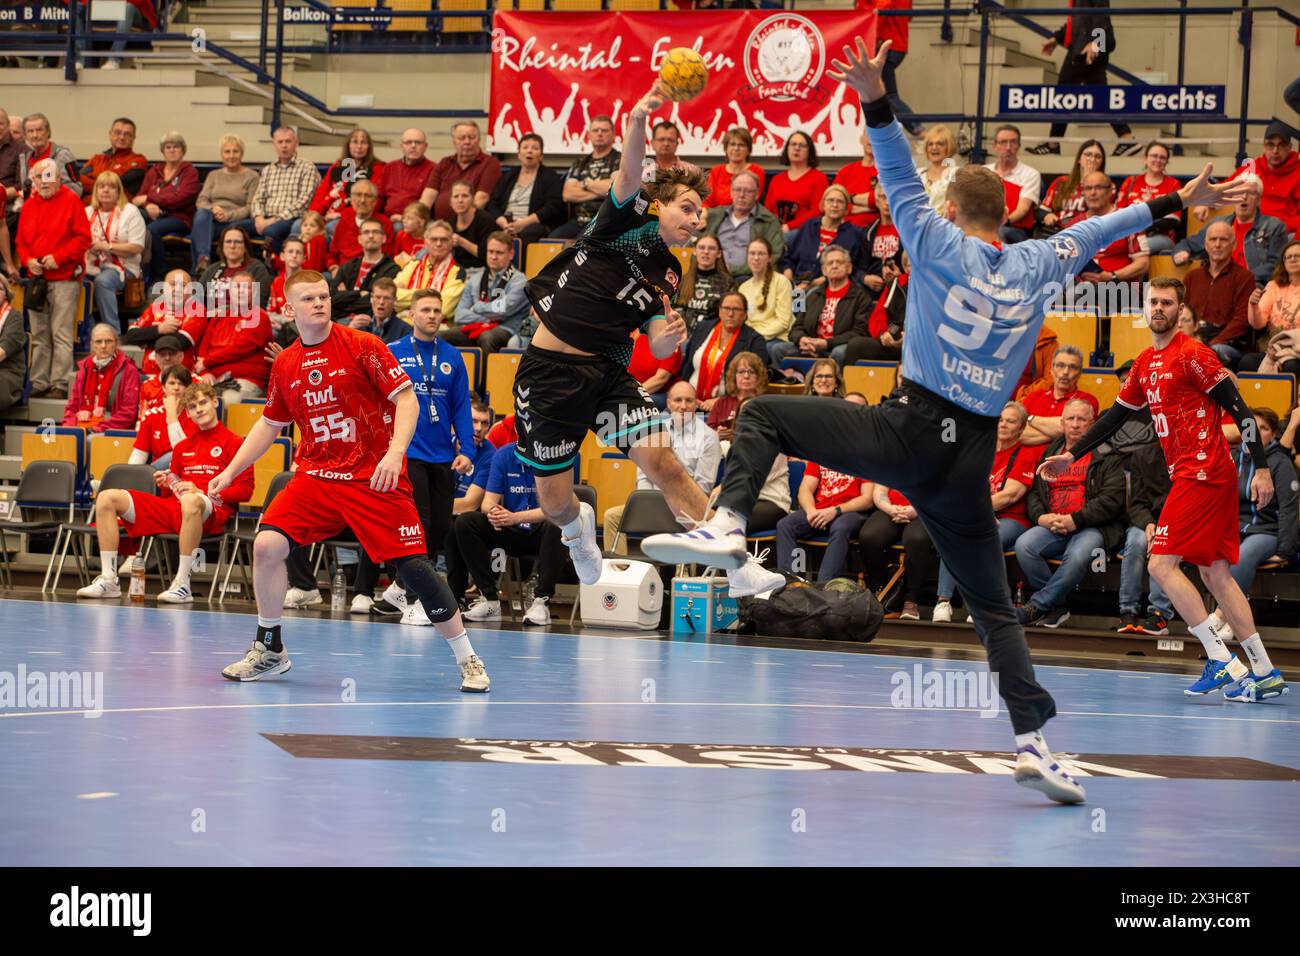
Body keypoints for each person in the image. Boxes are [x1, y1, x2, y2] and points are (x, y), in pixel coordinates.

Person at [643, 36, 1252, 804]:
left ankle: (729, 522)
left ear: (955, 211)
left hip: (909, 430)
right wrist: (1174, 202)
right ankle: (1034, 742)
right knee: (994, 609)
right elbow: (1103, 230)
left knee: (764, 409)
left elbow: (893, 164)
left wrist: (873, 95)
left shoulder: (930, 239)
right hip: (968, 458)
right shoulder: (1040, 261)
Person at [206, 270, 491, 691]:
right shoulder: (285, 363)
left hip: (372, 476)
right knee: (267, 544)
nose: (320, 303)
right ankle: (269, 648)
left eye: (324, 296)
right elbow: (269, 424)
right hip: (316, 477)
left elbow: (407, 400)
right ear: (290, 309)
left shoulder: (363, 346)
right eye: (309, 299)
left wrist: (395, 452)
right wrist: (229, 471)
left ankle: (468, 658)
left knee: (414, 569)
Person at [1040, 276, 1286, 702]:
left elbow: (1240, 410)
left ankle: (1221, 660)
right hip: (1197, 474)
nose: (1158, 308)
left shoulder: (1193, 354)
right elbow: (1115, 418)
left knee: (1160, 565)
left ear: (1180, 309)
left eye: (1166, 302)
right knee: (1216, 574)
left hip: (1203, 471)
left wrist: (1261, 469)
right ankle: (1263, 669)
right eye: (1152, 301)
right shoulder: (1143, 364)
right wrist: (1073, 455)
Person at [517, 79, 719, 589]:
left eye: (701, 214)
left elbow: (656, 342)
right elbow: (630, 171)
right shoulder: (624, 222)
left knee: (666, 463)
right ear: (659, 205)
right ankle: (575, 530)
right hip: (547, 378)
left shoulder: (671, 270)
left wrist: (670, 337)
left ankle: (728, 555)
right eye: (688, 208)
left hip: (606, 375)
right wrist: (637, 118)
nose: (696, 221)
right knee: (556, 503)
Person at [78, 382, 255, 604]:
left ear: (215, 402)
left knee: (191, 500)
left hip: (210, 511)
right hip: (177, 508)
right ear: (188, 413)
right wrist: (167, 482)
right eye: (192, 406)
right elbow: (173, 491)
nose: (199, 409)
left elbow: (246, 490)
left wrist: (204, 491)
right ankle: (109, 579)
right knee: (106, 497)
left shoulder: (236, 443)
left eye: (203, 402)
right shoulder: (182, 447)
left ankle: (182, 584)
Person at [385, 289, 476, 626]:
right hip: (407, 451)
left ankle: (399, 583)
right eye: (425, 310)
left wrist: (466, 449)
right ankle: (417, 599)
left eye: (437, 310)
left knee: (440, 524)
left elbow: (462, 409)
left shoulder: (452, 355)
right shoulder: (394, 352)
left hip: (441, 454)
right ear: (412, 315)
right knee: (419, 523)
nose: (433, 315)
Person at [1014, 398, 1126, 627]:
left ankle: (1038, 605)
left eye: (1082, 419)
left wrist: (1076, 519)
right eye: (1070, 419)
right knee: (1024, 545)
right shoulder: (1051, 452)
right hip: (1053, 524)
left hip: (1090, 527)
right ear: (1062, 423)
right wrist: (1041, 517)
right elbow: (1035, 492)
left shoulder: (1107, 454)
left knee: (1076, 556)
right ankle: (1057, 605)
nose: (1075, 424)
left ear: (1092, 423)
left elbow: (1111, 500)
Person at [932, 402, 1040, 622]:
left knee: (981, 540)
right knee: (952, 537)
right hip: (979, 514)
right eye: (1000, 419)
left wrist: (978, 512)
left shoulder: (1026, 453)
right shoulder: (980, 450)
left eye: (1011, 421)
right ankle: (943, 601)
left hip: (1012, 519)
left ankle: (982, 606)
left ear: (1021, 429)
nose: (1004, 424)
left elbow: (1010, 495)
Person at [455, 438, 567, 626]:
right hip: (510, 528)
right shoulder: (503, 455)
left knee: (558, 524)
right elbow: (487, 503)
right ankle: (490, 599)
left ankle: (541, 602)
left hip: (541, 532)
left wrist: (517, 517)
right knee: (466, 522)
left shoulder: (555, 456)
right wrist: (494, 513)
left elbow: (557, 509)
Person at [603, 381, 721, 554]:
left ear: (696, 404)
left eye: (689, 401)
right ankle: (619, 573)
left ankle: (685, 577)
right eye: (677, 400)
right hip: (654, 501)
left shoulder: (709, 438)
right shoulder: (655, 430)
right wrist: (649, 502)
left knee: (699, 523)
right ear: (668, 403)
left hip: (686, 505)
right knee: (611, 517)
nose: (683, 406)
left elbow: (704, 488)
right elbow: (643, 474)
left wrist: (673, 466)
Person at [17, 158, 92, 400]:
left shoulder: (71, 201)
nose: (44, 182)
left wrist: (58, 258)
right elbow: (20, 241)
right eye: (40, 177)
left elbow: (83, 239)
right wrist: (28, 260)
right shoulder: (28, 206)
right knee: (39, 334)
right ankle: (38, 382)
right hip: (36, 280)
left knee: (60, 333)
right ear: (34, 181)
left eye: (49, 176)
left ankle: (59, 383)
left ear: (59, 178)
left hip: (64, 278)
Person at [1029, 0, 1138, 157]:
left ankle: (1053, 144)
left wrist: (1095, 42)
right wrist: (1057, 38)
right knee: (1100, 95)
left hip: (1087, 48)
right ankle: (1126, 137)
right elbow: (1077, 20)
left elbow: (1101, 17)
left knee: (1063, 94)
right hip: (1087, 46)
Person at [1229, 407, 1299, 594]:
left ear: (1274, 434)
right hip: (1235, 529)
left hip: (1266, 531)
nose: (1256, 433)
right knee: (1210, 555)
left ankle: (1223, 616)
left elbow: (1288, 510)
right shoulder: (1232, 459)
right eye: (1252, 427)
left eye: (1264, 428)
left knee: (1241, 557)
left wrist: (1285, 552)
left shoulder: (1280, 463)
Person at [1174, 176, 1289, 288]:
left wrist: (1241, 278)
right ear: (1232, 197)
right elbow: (1188, 243)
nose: (1244, 197)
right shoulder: (1218, 224)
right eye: (1239, 192)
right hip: (1217, 282)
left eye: (1250, 193)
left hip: (1254, 284)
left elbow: (1276, 264)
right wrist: (1181, 251)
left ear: (1258, 200)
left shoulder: (1274, 226)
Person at [779, 450, 873, 583]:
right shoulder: (820, 454)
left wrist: (836, 510)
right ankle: (788, 585)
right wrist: (811, 511)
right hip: (820, 511)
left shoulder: (862, 458)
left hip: (850, 511)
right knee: (785, 525)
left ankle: (822, 588)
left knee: (840, 527)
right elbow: (805, 490)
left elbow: (868, 499)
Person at [770, 245, 871, 367]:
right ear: (824, 270)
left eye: (839, 262)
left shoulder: (861, 297)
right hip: (812, 347)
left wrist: (826, 343)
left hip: (835, 347)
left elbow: (859, 333)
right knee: (778, 349)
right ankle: (791, 383)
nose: (834, 266)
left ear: (849, 268)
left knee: (840, 352)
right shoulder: (813, 295)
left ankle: (836, 384)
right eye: (830, 263)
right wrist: (802, 340)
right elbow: (796, 327)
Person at [1116, 438, 1176, 635]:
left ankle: (1159, 614)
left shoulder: (1193, 455)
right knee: (1135, 541)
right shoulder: (1142, 455)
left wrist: (1163, 528)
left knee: (1163, 544)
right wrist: (1148, 523)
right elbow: (1137, 502)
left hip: (1179, 521)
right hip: (1148, 519)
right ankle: (1127, 611)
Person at [1181, 219, 1257, 370]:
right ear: (1205, 244)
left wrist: (1211, 345)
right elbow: (1182, 313)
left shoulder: (1244, 277)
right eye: (1213, 239)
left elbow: (1242, 321)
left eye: (1223, 240)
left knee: (1213, 353)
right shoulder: (1191, 277)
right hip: (1194, 338)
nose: (1217, 244)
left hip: (1226, 344)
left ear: (1233, 245)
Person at [133, 131, 201, 285]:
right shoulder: (154, 171)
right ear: (163, 151)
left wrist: (151, 198)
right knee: (135, 217)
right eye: (168, 147)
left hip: (180, 217)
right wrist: (148, 204)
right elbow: (138, 198)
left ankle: (160, 274)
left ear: (183, 150)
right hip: (153, 214)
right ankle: (136, 271)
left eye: (176, 147)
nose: (171, 150)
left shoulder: (190, 172)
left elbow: (180, 198)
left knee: (151, 230)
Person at [84, 171, 146, 334]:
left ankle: (112, 333)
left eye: (111, 187)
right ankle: (83, 332)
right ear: (96, 191)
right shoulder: (88, 212)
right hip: (90, 264)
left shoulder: (130, 212)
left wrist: (107, 246)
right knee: (71, 281)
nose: (106, 190)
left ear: (119, 192)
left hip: (124, 268)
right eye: (101, 186)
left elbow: (136, 247)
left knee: (103, 281)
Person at [679, 293, 768, 409]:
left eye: (736, 309)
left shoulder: (754, 340)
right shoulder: (703, 328)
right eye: (726, 308)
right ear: (720, 310)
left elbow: (756, 381)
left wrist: (722, 401)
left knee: (695, 425)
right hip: (689, 401)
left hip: (725, 407)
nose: (730, 314)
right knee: (658, 422)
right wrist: (683, 394)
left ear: (745, 314)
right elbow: (687, 366)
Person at [194, 272, 273, 399]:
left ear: (254, 292)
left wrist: (206, 362)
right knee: (189, 397)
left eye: (246, 287)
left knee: (229, 399)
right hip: (212, 378)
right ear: (229, 291)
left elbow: (240, 348)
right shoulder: (218, 317)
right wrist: (204, 372)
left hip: (244, 379)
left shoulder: (259, 317)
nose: (241, 291)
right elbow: (203, 349)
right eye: (236, 286)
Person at [446, 231, 529, 354]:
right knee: (441, 336)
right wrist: (487, 320)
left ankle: (486, 373)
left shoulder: (520, 281)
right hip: (476, 327)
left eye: (499, 253)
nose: (493, 257)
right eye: (490, 252)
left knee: (487, 337)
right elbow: (460, 315)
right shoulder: (475, 279)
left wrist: (477, 307)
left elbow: (502, 310)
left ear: (511, 254)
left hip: (506, 329)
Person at [191, 135, 260, 273]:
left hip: (239, 221)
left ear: (242, 154)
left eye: (236, 151)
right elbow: (201, 200)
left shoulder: (252, 176)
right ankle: (203, 259)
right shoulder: (213, 175)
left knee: (200, 231)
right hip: (214, 220)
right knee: (202, 215)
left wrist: (228, 215)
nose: (231, 156)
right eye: (227, 152)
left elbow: (250, 207)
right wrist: (213, 209)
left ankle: (198, 271)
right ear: (221, 155)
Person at [486, 133, 566, 247]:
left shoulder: (550, 176)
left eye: (535, 148)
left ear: (541, 155)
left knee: (529, 232)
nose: (530, 151)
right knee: (485, 227)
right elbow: (493, 203)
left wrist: (523, 223)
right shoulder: (509, 175)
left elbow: (552, 207)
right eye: (525, 147)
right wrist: (503, 222)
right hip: (506, 222)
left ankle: (520, 265)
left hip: (533, 224)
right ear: (519, 154)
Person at [250, 127, 321, 254]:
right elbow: (258, 198)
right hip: (265, 218)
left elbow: (303, 202)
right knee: (235, 229)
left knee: (271, 231)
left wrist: (272, 220)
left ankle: (275, 270)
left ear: (296, 143)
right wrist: (258, 218)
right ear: (274, 145)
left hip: (292, 218)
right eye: (280, 142)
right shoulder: (267, 169)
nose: (284, 146)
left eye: (288, 141)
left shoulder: (307, 167)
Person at [1074, 171, 1150, 285]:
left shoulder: (1128, 220)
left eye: (1099, 187)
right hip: (1079, 290)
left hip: (1117, 289)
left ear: (1110, 191)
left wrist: (1112, 276)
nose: (1093, 193)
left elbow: (1143, 264)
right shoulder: (1074, 224)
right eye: (1088, 188)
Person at [705, 170, 784, 280]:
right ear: (731, 192)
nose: (741, 195)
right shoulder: (713, 216)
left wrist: (734, 271)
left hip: (749, 277)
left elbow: (774, 255)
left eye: (748, 191)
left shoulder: (769, 221)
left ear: (757, 194)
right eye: (738, 190)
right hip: (710, 274)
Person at [126, 269, 207, 375]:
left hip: (179, 378)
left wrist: (145, 340)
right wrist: (159, 329)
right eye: (173, 284)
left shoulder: (197, 309)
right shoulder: (155, 307)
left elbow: (180, 342)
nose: (177, 289)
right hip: (149, 375)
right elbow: (132, 336)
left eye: (183, 285)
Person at [62, 323, 141, 432]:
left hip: (110, 431)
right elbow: (72, 407)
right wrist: (68, 429)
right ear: (92, 344)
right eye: (98, 342)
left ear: (116, 343)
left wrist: (97, 429)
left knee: (89, 442)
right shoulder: (84, 369)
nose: (103, 346)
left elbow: (128, 413)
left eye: (108, 341)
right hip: (82, 427)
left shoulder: (129, 370)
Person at [308, 128, 385, 239]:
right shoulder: (338, 166)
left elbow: (371, 200)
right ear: (348, 145)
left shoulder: (377, 168)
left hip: (354, 216)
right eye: (355, 142)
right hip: (327, 214)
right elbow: (321, 193)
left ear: (369, 147)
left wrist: (341, 215)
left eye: (363, 143)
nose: (359, 146)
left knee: (330, 227)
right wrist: (313, 215)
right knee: (298, 226)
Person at [780, 185, 862, 289]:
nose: (835, 205)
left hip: (828, 288)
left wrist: (812, 284)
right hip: (798, 284)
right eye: (830, 200)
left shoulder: (853, 234)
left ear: (846, 209)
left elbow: (851, 270)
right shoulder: (809, 226)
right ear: (823, 205)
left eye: (840, 202)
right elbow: (790, 257)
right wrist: (788, 273)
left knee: (802, 301)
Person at [553, 114, 620, 239]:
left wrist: (585, 184)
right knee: (551, 240)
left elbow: (616, 189)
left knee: (583, 241)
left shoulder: (620, 159)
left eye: (604, 130)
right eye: (595, 130)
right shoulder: (579, 163)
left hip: (607, 222)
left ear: (613, 135)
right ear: (589, 135)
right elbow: (567, 194)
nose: (599, 134)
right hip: (578, 221)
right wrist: (602, 191)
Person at [420, 121, 501, 223]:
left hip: (467, 224)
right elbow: (428, 196)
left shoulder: (490, 163)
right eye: (462, 138)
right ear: (454, 141)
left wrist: (457, 223)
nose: (467, 142)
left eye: (471, 137)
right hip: (437, 223)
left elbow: (481, 199)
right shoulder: (445, 163)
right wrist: (418, 217)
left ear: (479, 140)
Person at [1019, 346, 1099, 445]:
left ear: (1079, 373)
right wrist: (1062, 433)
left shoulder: (1087, 401)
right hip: (1024, 460)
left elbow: (1074, 430)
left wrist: (1031, 419)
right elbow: (1019, 433)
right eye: (1060, 365)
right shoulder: (1033, 397)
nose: (1065, 372)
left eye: (1073, 367)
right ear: (1052, 370)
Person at [1242, 239, 1300, 376]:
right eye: (1288, 257)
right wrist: (1253, 304)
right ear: (1283, 262)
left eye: (1297, 256)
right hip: (1274, 348)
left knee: (1291, 365)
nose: (1292, 259)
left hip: (1297, 349)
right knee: (1247, 362)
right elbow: (1258, 323)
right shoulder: (1273, 286)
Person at [328, 218, 400, 322]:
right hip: (338, 319)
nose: (371, 236)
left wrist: (345, 296)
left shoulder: (392, 269)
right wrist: (359, 294)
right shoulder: (347, 267)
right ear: (359, 239)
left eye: (375, 232)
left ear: (384, 238)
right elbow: (332, 298)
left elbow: (373, 302)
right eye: (366, 232)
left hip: (367, 322)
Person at [1116, 142, 1181, 254]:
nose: (1158, 160)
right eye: (1154, 156)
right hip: (1128, 235)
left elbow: (1173, 220)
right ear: (1145, 159)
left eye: (1162, 157)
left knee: (1136, 248)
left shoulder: (1173, 184)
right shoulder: (1130, 182)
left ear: (1167, 162)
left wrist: (1141, 226)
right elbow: (1119, 213)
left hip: (1160, 238)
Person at [736, 238, 794, 358]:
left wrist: (755, 337)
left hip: (777, 338)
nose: (756, 258)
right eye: (752, 253)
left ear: (769, 258)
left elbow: (783, 322)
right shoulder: (743, 287)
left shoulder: (781, 281)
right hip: (752, 338)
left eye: (761, 254)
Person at [985, 125, 1042, 245]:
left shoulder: (1031, 174)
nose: (1008, 147)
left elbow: (1022, 210)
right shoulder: (984, 171)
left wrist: (999, 224)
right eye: (1003, 142)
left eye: (1013, 142)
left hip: (1014, 228)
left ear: (1019, 146)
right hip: (984, 225)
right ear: (994, 146)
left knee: (1000, 233)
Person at [763, 131, 829, 235]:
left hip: (804, 231)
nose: (797, 148)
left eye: (802, 145)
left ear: (809, 151)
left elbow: (818, 211)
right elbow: (767, 210)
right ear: (787, 149)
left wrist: (789, 227)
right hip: (775, 231)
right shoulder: (777, 179)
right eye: (793, 144)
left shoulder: (819, 178)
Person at [394, 219, 465, 314]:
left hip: (438, 327)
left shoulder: (457, 272)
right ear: (425, 243)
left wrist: (406, 295)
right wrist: (430, 294)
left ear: (451, 243)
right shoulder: (413, 265)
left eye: (444, 240)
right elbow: (391, 296)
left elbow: (442, 308)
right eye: (434, 239)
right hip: (403, 321)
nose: (438, 244)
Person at [198, 226, 274, 307]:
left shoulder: (257, 268)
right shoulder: (213, 269)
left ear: (245, 247)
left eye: (237, 242)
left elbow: (259, 303)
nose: (232, 246)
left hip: (242, 317)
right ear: (222, 246)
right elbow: (196, 298)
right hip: (210, 316)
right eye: (228, 241)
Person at [1038, 140, 1105, 233]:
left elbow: (1099, 214)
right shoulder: (1061, 182)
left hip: (1086, 233)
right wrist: (1047, 216)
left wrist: (1089, 182)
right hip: (1057, 231)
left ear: (1102, 162)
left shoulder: (1106, 187)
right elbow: (1041, 211)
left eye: (1097, 157)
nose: (1092, 159)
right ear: (1079, 159)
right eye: (1088, 155)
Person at [326, 180, 393, 270]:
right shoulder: (344, 221)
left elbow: (388, 257)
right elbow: (332, 253)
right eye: (358, 195)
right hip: (342, 272)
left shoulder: (384, 224)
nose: (362, 200)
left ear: (375, 201)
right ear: (351, 199)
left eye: (368, 196)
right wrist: (334, 269)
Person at [76, 117, 148, 201]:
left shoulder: (138, 160)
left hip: (119, 209)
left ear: (133, 138)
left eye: (127, 134)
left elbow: (115, 185)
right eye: (118, 132)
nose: (122, 137)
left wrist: (92, 181)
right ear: (110, 134)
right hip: (88, 208)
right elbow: (78, 180)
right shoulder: (97, 159)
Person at [703, 348, 768, 440]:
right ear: (734, 376)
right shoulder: (722, 403)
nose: (746, 376)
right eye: (741, 372)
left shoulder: (765, 404)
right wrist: (717, 434)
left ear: (759, 377)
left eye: (751, 372)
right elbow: (707, 433)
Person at [675, 233, 733, 334]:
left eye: (711, 248)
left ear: (719, 253)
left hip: (713, 335)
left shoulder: (728, 283)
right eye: (702, 247)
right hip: (682, 334)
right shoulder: (682, 280)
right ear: (694, 251)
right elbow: (673, 309)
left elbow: (730, 315)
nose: (706, 252)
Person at [133, 339, 193, 426]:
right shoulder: (147, 385)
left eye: (172, 354)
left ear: (181, 356)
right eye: (162, 354)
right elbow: (142, 419)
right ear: (156, 358)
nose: (167, 358)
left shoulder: (196, 382)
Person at [705, 127, 764, 210]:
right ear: (726, 148)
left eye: (741, 145)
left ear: (749, 150)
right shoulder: (716, 171)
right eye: (732, 144)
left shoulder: (757, 171)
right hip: (717, 217)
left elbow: (752, 200)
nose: (736, 148)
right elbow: (707, 202)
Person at [380, 128, 434, 220]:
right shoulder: (389, 168)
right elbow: (378, 196)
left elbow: (426, 205)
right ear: (401, 146)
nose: (413, 146)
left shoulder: (434, 169)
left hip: (416, 220)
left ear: (425, 146)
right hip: (387, 218)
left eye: (418, 142)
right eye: (408, 142)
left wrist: (405, 218)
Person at [834, 133, 880, 229]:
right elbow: (832, 201)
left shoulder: (886, 172)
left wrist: (849, 199)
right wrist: (869, 208)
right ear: (861, 140)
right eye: (868, 135)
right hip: (843, 228)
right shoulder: (845, 171)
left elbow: (880, 199)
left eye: (876, 136)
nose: (872, 140)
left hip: (872, 229)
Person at [447, 181, 496, 271]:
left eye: (465, 196)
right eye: (456, 196)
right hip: (455, 271)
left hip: (481, 270)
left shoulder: (485, 220)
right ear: (450, 201)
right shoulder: (449, 223)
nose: (460, 200)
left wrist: (462, 242)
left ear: (473, 199)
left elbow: (489, 255)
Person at [916, 125, 958, 216]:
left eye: (940, 144)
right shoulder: (918, 174)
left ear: (949, 147)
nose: (934, 147)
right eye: (930, 144)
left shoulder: (956, 174)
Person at [0, 275, 24, 411]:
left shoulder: (14, 318)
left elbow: (2, 353)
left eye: (0, 289)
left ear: (6, 294)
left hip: (7, 374)